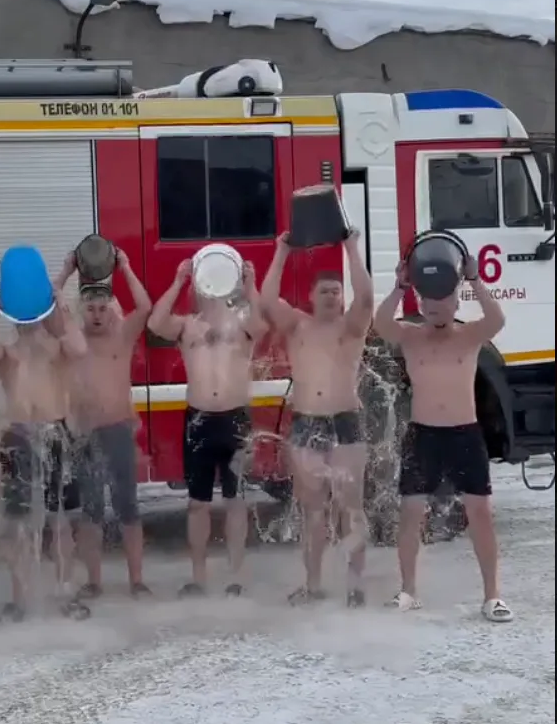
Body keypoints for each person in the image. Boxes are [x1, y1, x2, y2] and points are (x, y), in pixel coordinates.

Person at [373, 252, 512, 622]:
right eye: (428, 299)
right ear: (421, 302)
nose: (435, 305)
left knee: (480, 514)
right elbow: (381, 323)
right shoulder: (410, 335)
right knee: (410, 514)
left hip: (465, 436)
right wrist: (399, 286)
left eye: (443, 298)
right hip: (423, 437)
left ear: (455, 301)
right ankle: (408, 591)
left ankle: (492, 596)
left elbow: (497, 319)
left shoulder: (470, 335)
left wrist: (474, 279)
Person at [261, 230, 374, 607]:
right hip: (307, 423)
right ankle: (312, 586)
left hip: (345, 422)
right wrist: (281, 251)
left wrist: (351, 248)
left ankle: (356, 587)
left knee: (350, 508)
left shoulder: (352, 328)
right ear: (310, 296)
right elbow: (266, 301)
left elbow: (366, 297)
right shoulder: (297, 326)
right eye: (324, 291)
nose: (330, 296)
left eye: (336, 291)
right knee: (313, 511)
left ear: (342, 298)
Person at [147, 257, 267, 596]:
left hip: (235, 420)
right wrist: (178, 280)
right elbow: (155, 323)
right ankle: (198, 578)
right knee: (197, 503)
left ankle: (235, 577)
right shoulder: (187, 326)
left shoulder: (243, 324)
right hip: (198, 421)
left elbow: (262, 323)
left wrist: (250, 283)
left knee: (235, 501)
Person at [0, 283, 89, 620]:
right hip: (19, 437)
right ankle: (20, 598)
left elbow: (80, 348)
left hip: (55, 433)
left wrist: (59, 305)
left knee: (61, 520)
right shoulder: (7, 353)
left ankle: (65, 591)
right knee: (18, 522)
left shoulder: (57, 347)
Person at [55, 249, 152, 600]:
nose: (97, 315)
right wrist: (66, 270)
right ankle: (94, 582)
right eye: (90, 309)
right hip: (85, 434)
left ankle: (136, 581)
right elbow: (49, 307)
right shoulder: (73, 341)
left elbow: (144, 307)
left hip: (118, 430)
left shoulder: (122, 337)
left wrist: (125, 266)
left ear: (112, 309)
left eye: (102, 308)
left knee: (128, 506)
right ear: (81, 311)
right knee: (91, 510)